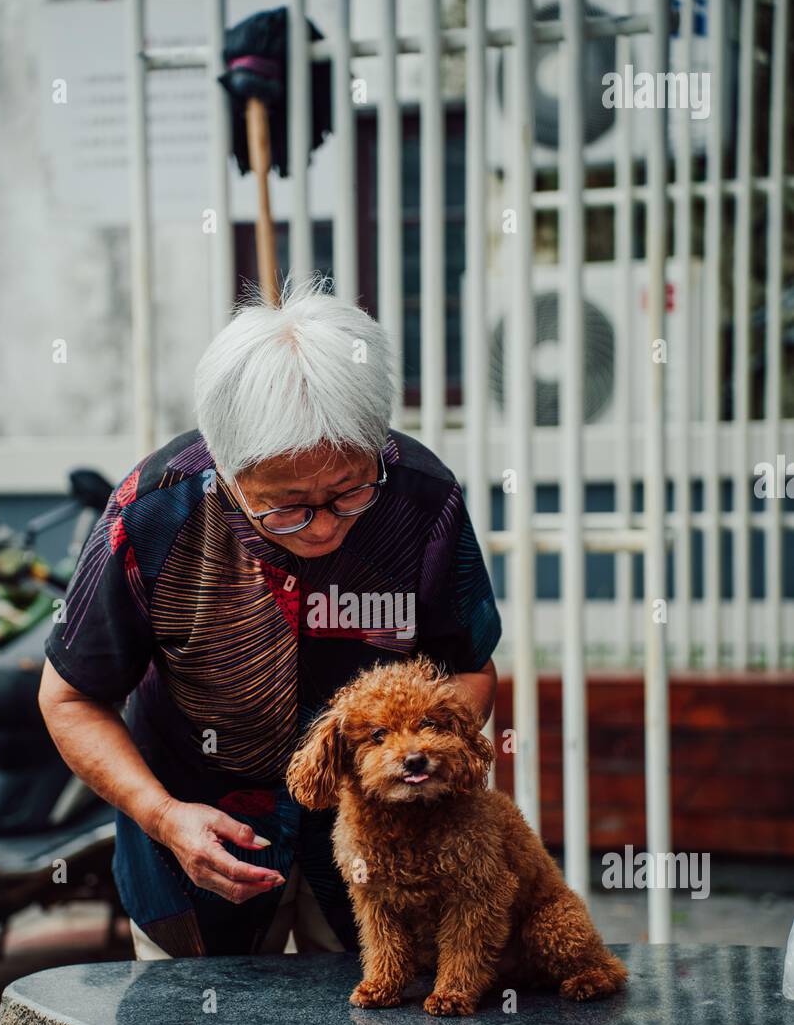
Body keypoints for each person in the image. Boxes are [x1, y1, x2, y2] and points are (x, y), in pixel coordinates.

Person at [38, 276, 502, 959]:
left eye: (347, 494)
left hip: (382, 852)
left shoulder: (420, 499)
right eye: (286, 505)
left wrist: (407, 769)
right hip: (195, 839)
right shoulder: (152, 514)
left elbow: (468, 670)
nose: (321, 529)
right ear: (226, 468)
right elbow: (70, 697)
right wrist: (163, 817)